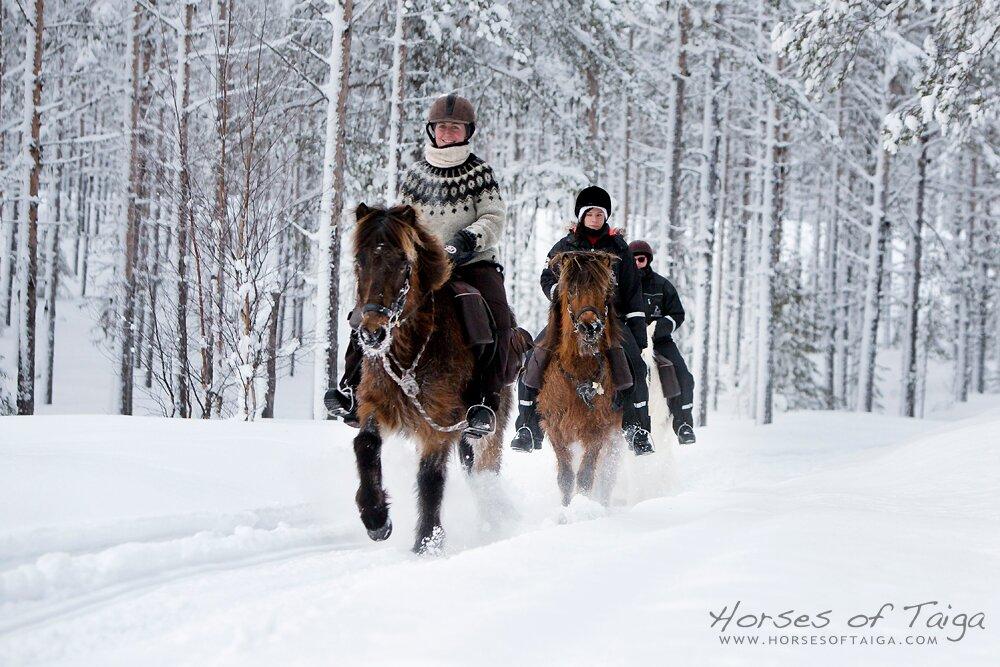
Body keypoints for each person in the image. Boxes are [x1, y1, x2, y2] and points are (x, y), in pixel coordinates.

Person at [325, 93, 513, 438]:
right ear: (432, 131)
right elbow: (404, 221)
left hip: (472, 263)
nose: (447, 134)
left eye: (455, 128)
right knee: (368, 310)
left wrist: (466, 242)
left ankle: (485, 399)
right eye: (442, 127)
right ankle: (351, 387)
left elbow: (494, 217)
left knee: (499, 318)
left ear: (467, 131)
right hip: (423, 266)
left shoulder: (480, 172)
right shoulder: (417, 174)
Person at [511, 185, 654, 456]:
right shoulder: (566, 246)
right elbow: (547, 276)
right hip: (567, 317)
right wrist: (558, 292)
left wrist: (637, 333)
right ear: (581, 216)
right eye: (591, 214)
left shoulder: (618, 248)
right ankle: (527, 427)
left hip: (610, 318)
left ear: (606, 217)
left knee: (635, 364)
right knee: (535, 357)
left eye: (600, 214)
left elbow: (633, 289)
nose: (595, 219)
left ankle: (638, 429)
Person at [628, 240, 696, 444]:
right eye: (633, 259)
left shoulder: (662, 285)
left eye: (641, 259)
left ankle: (683, 424)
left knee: (684, 375)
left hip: (659, 340)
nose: (637, 263)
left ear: (647, 260)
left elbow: (677, 313)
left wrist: (660, 327)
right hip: (631, 340)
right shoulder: (621, 285)